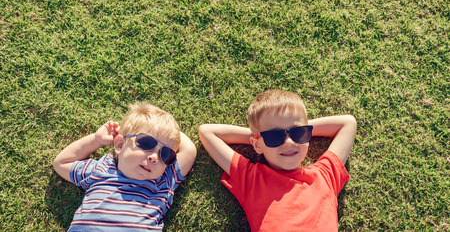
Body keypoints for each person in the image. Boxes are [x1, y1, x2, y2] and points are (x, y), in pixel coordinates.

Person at [199, 89, 356, 231]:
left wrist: (278, 134)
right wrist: (258, 138)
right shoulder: (251, 180)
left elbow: (348, 123)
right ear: (256, 144)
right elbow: (207, 132)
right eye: (274, 136)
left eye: (299, 133)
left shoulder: (325, 175)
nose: (288, 142)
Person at [53, 101, 197, 231]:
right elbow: (61, 163)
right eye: (147, 143)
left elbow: (189, 151)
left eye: (165, 154)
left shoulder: (163, 180)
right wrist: (96, 140)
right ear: (120, 144)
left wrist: (168, 130)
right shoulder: (101, 168)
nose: (154, 157)